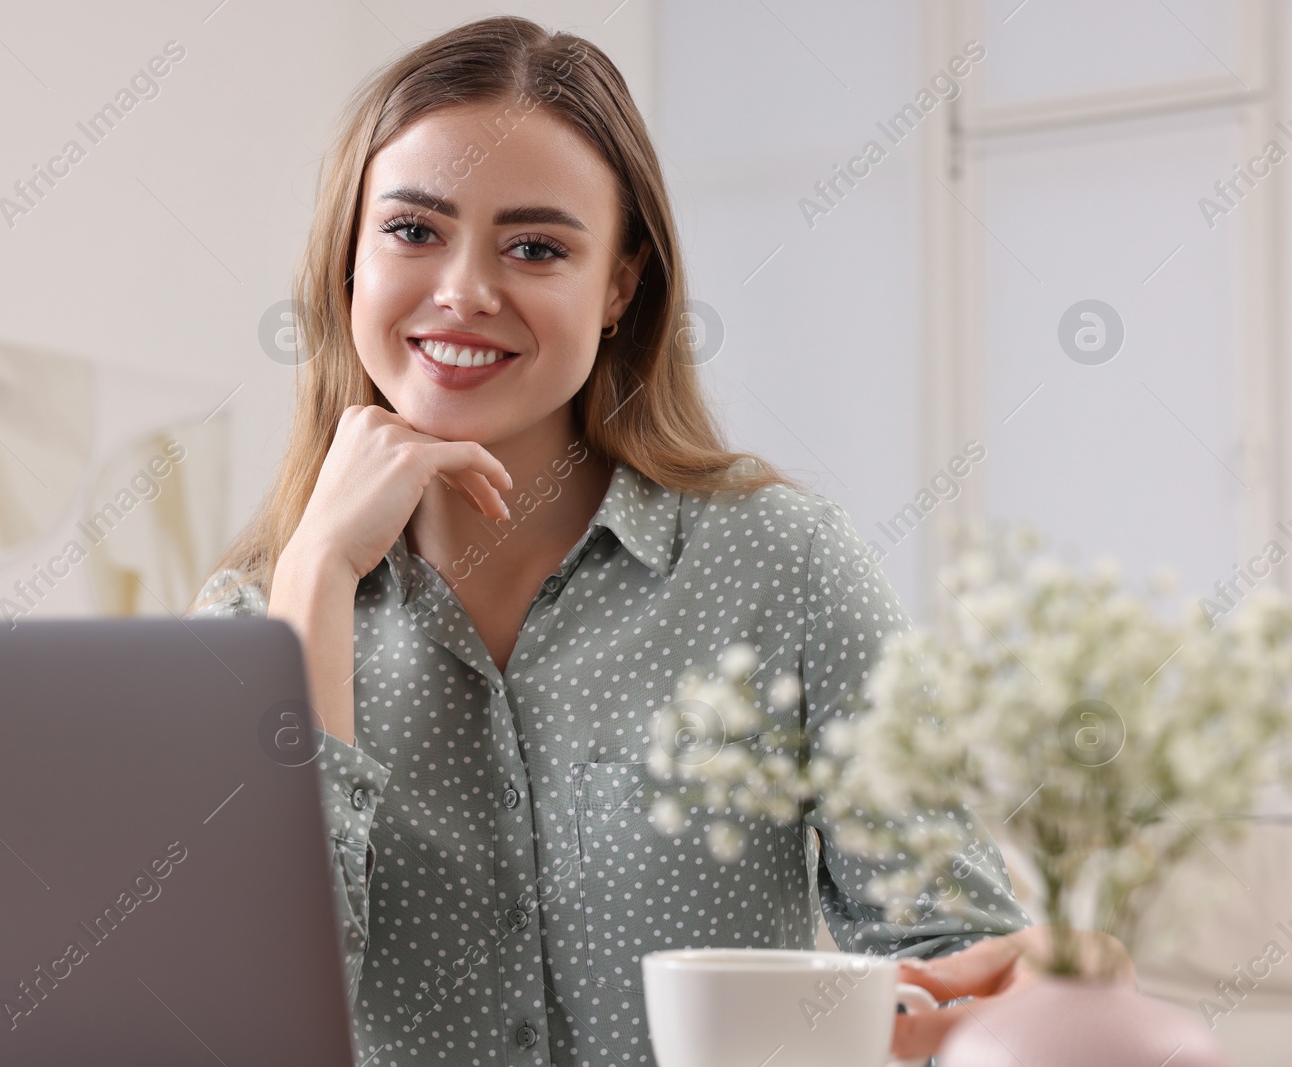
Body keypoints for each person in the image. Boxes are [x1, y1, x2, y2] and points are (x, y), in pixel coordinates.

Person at [189, 15, 1122, 1063]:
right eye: (413, 230)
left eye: (536, 246)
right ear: (348, 260)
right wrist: (314, 572)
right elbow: (242, 1011)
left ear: (619, 287)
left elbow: (948, 944)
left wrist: (1028, 989)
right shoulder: (249, 617)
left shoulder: (782, 564)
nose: (463, 289)